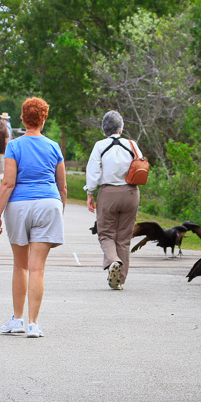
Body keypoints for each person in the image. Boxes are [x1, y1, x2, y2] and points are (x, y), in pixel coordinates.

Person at [0, 97, 67, 338]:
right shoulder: (54, 147)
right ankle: (34, 324)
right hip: (48, 203)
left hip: (20, 206)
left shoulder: (14, 146)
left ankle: (17, 320)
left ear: (23, 119)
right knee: (38, 270)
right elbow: (62, 186)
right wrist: (60, 211)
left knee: (20, 266)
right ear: (43, 119)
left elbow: (8, 183)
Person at [84, 110, 142, 290]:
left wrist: (90, 192)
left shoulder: (100, 146)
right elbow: (140, 165)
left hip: (109, 193)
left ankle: (113, 261)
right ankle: (120, 280)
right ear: (121, 128)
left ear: (104, 129)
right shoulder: (132, 145)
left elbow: (93, 171)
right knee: (124, 238)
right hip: (131, 193)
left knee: (106, 234)